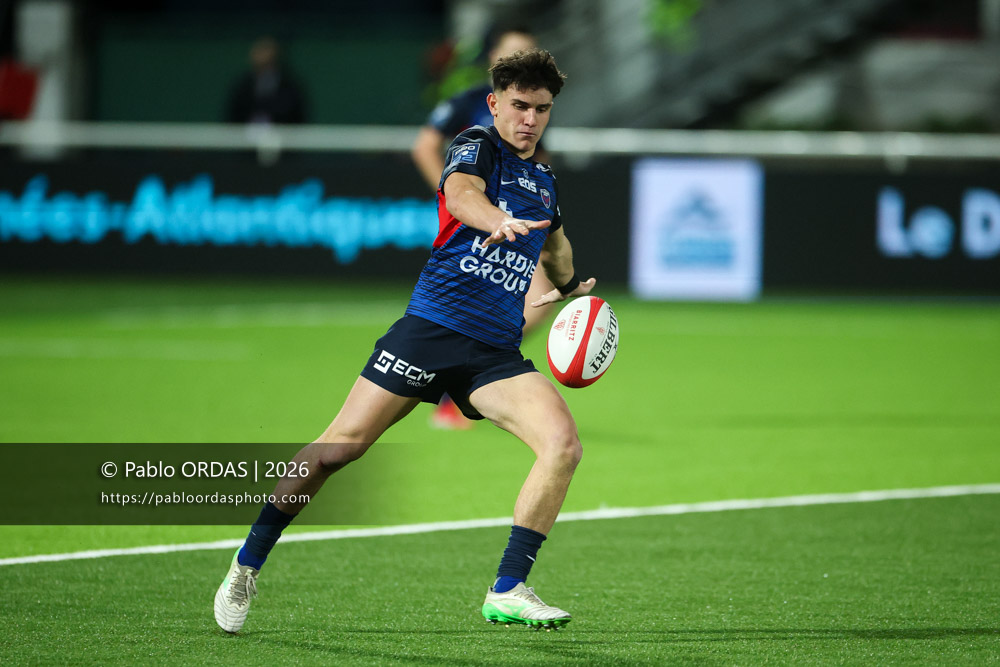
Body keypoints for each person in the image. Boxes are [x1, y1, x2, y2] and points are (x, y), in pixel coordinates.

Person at [214, 47, 595, 633]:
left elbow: (557, 245)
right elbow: (461, 194)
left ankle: (509, 587)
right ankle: (247, 562)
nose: (529, 119)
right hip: (430, 333)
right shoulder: (476, 146)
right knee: (338, 449)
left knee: (563, 444)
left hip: (493, 353)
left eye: (541, 109)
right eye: (519, 105)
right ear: (495, 103)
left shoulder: (543, 181)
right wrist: (494, 218)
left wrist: (571, 287)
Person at [412, 26, 558, 429]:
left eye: (528, 51)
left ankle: (462, 379)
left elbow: (540, 167)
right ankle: (453, 386)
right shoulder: (474, 101)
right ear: (494, 57)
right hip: (473, 222)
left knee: (541, 295)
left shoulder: (532, 109)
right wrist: (457, 196)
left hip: (512, 224)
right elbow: (425, 145)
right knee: (464, 305)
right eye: (513, 52)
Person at [226, 36, 307, 125]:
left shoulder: (290, 85)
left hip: (282, 135)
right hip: (245, 136)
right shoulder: (243, 85)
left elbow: (297, 117)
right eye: (257, 50)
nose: (259, 55)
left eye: (264, 50)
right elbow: (233, 116)